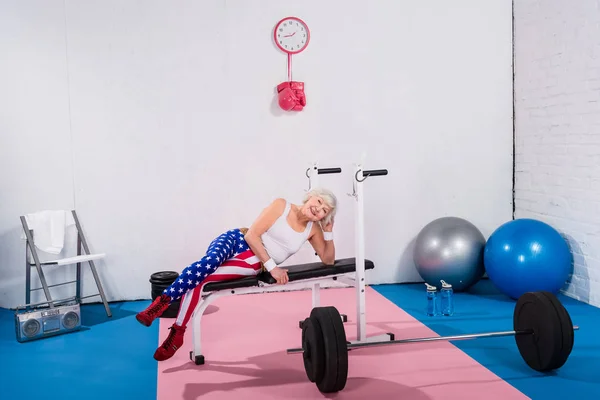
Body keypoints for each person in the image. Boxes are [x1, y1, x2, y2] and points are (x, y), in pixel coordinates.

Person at [136, 188, 338, 361]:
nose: (318, 209)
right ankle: (160, 304)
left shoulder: (313, 230)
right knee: (210, 262)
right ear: (310, 197)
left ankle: (177, 333)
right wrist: (273, 268)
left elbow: (328, 260)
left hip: (253, 261)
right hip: (237, 239)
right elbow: (251, 235)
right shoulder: (282, 205)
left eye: (324, 211)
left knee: (201, 281)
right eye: (319, 202)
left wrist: (328, 232)